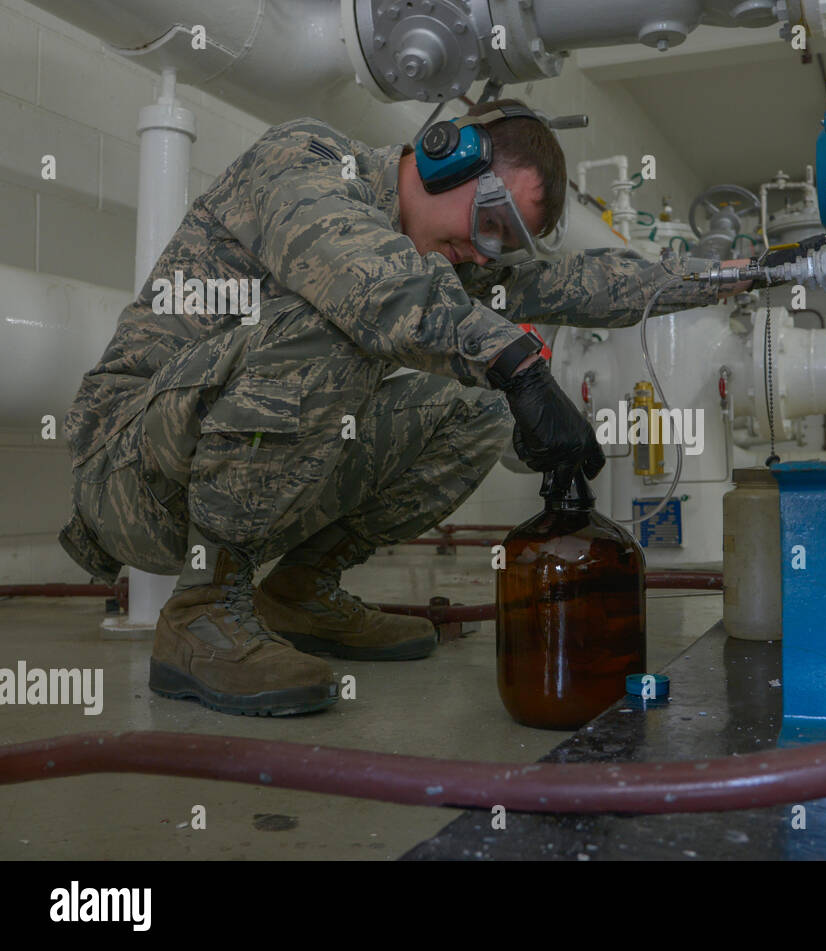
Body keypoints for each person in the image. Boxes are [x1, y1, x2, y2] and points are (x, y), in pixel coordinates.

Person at [59, 98, 749, 717]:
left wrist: (734, 275)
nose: (485, 253)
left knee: (474, 409)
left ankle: (299, 590)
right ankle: (207, 607)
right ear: (450, 154)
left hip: (212, 466)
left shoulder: (440, 255)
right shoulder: (307, 160)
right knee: (344, 321)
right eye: (491, 224)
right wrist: (522, 368)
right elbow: (373, 284)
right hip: (126, 465)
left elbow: (573, 282)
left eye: (501, 244)